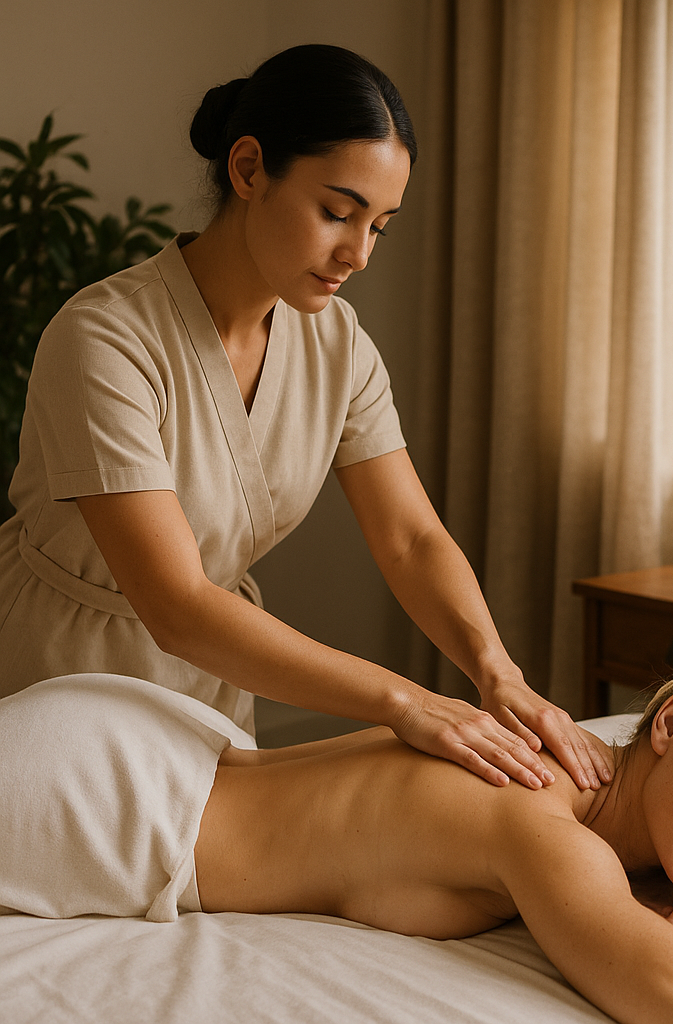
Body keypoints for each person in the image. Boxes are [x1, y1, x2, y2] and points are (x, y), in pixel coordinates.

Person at [0, 43, 609, 792]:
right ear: (249, 169)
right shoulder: (104, 339)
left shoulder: (337, 343)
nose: (358, 253)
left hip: (213, 684)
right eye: (337, 213)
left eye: (380, 225)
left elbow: (412, 539)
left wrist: (497, 673)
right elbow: (179, 607)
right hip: (62, 681)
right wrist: (406, 702)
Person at [0, 652, 673, 1024]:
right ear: (672, 725)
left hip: (155, 746)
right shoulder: (538, 819)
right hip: (110, 800)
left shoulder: (614, 781)